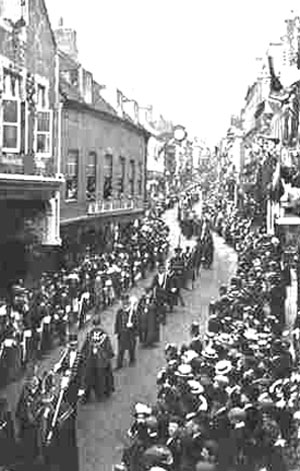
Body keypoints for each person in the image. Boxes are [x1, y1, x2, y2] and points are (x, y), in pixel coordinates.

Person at [83, 315, 115, 402]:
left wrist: (84, 356)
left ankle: (86, 396)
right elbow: (108, 347)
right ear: (100, 323)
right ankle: (101, 394)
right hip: (101, 360)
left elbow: (85, 347)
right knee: (102, 377)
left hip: (91, 360)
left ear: (93, 324)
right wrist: (110, 355)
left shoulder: (89, 334)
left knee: (89, 377)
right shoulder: (103, 334)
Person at [114, 294, 139, 369]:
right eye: (123, 303)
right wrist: (117, 331)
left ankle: (132, 360)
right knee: (121, 350)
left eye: (125, 304)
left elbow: (137, 322)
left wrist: (132, 325)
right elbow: (117, 322)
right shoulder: (119, 312)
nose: (124, 305)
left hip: (130, 334)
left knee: (131, 348)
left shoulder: (132, 312)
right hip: (122, 334)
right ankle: (119, 364)